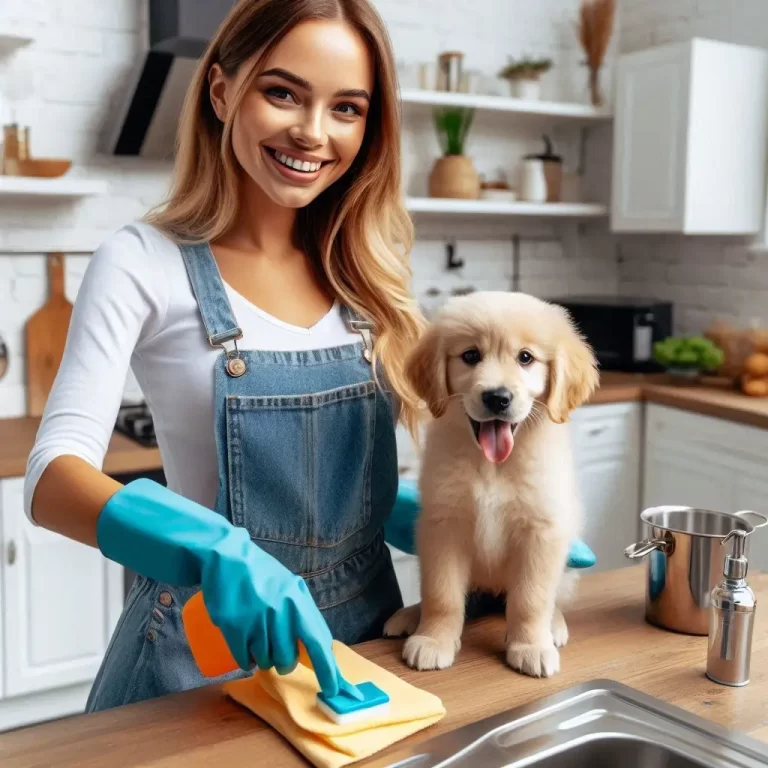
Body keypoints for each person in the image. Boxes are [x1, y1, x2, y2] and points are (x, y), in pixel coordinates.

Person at [24, 0, 425, 713]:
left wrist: (471, 532)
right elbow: (51, 479)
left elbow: (346, 493)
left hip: (362, 648)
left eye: (347, 109)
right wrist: (214, 552)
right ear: (220, 92)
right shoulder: (142, 261)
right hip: (203, 655)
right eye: (283, 93)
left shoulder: (369, 275)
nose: (312, 132)